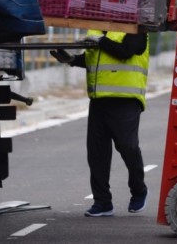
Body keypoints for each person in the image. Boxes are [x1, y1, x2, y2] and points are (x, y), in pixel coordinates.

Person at [50, 30, 150, 217]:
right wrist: (72, 60)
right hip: (98, 100)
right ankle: (102, 202)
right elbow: (96, 60)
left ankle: (139, 191)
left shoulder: (134, 27)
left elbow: (125, 51)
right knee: (97, 153)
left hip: (126, 99)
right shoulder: (94, 30)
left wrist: (101, 41)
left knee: (128, 147)